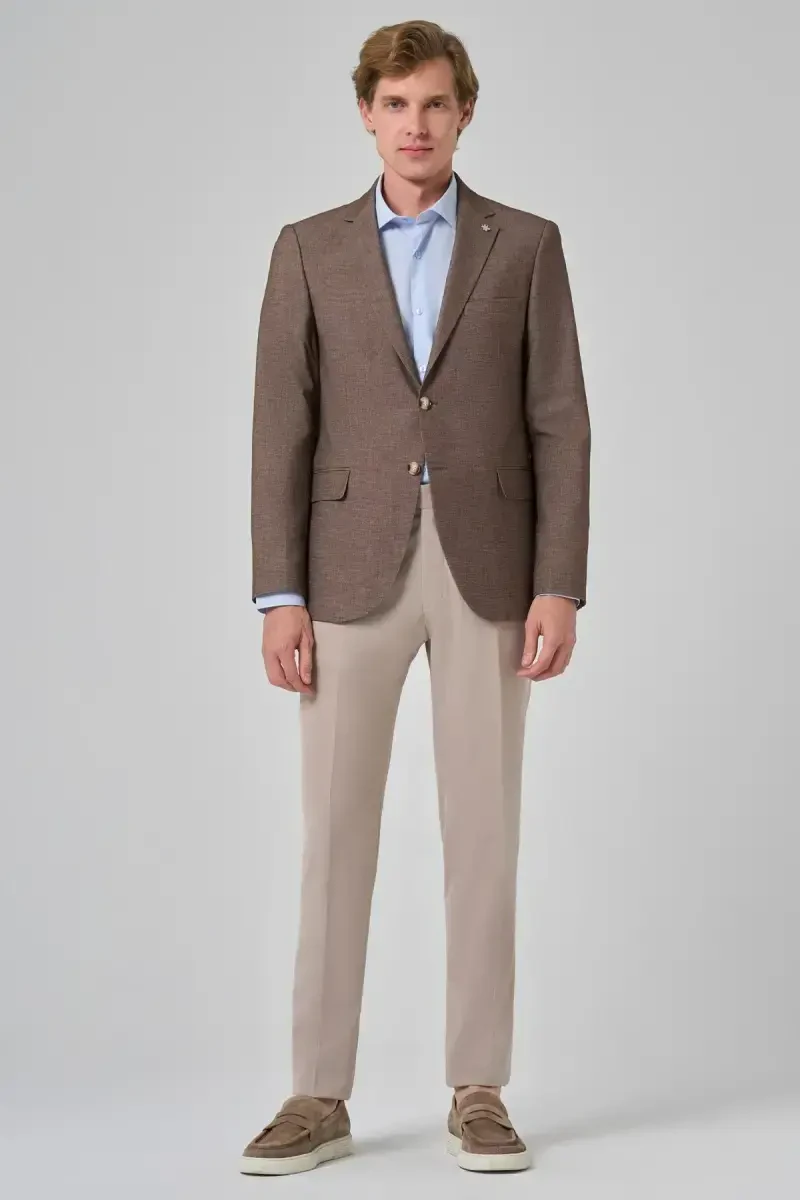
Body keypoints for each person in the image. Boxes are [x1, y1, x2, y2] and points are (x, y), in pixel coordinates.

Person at [241, 18, 590, 1177]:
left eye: (435, 103)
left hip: (490, 567)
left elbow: (559, 421)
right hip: (345, 570)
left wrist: (557, 583)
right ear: (365, 114)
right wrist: (278, 593)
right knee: (333, 833)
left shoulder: (525, 245)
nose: (415, 124)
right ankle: (316, 1093)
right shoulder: (308, 249)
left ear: (464, 112)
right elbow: (280, 428)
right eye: (395, 105)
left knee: (482, 832)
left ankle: (477, 1088)